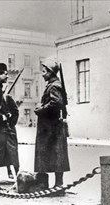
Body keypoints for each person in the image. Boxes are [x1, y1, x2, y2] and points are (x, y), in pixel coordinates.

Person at [34, 58, 70, 188]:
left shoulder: (54, 86)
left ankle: (56, 185)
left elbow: (56, 103)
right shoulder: (53, 84)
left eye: (44, 71)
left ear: (50, 72)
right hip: (50, 127)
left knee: (54, 154)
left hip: (50, 128)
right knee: (54, 154)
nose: (42, 73)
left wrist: (40, 110)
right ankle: (53, 185)